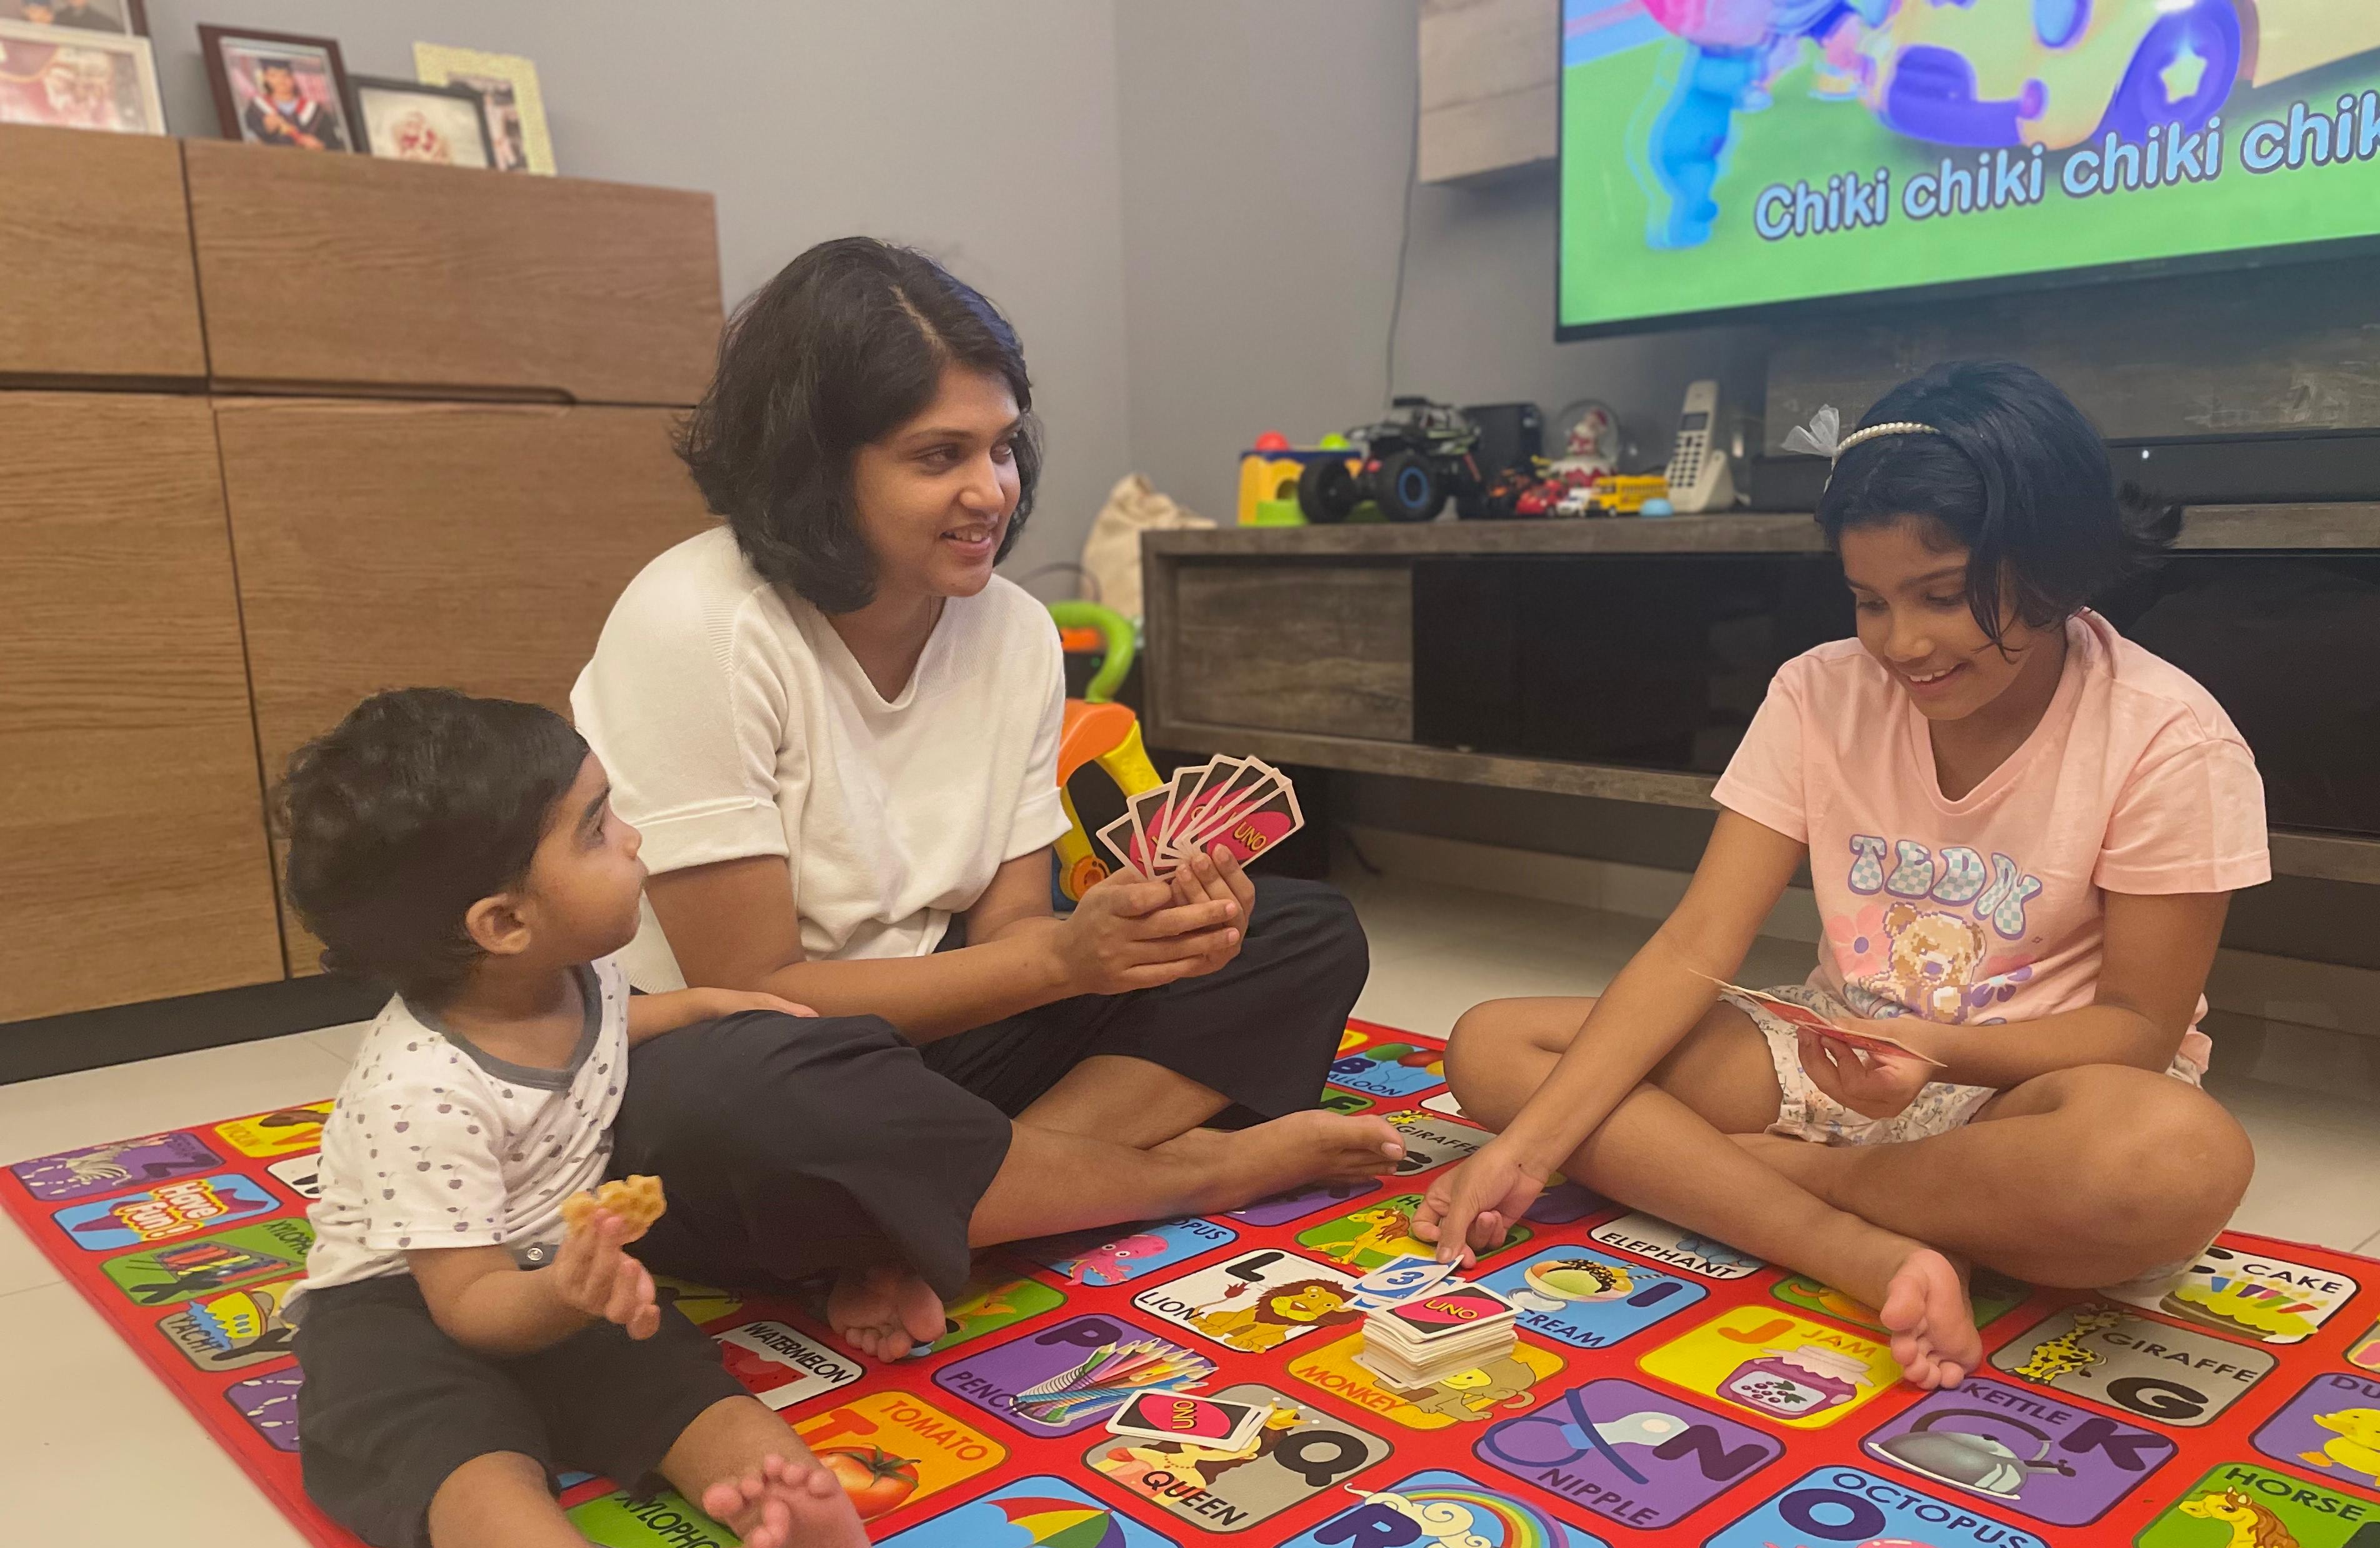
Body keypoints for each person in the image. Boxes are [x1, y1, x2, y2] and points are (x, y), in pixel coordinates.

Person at [572, 238, 1394, 1363]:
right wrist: (1066, 962)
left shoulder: (1009, 627)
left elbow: (1008, 930)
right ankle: (1185, 1171)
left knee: (1298, 931)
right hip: (724, 1055)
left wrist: (1127, 937)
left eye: (1004, 447)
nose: (990, 490)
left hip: (926, 1035)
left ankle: (929, 1214)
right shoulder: (698, 623)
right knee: (759, 1102)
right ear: (817, 467)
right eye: (938, 455)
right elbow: (752, 989)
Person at [1422, 362, 2267, 1389]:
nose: (1901, 643)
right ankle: (1861, 1244)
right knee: (1498, 1047)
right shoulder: (1817, 691)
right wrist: (1529, 1149)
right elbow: (1698, 941)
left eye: (1944, 596)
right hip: (1836, 1048)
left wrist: (1937, 1048)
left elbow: (2137, 1025)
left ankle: (1768, 1185)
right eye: (1869, 600)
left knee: (2171, 1161)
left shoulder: (2169, 735)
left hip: (2028, 1089)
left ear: (2051, 565)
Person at [273, 689, 878, 1548]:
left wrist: (709, 1006)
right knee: (448, 1438)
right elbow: (467, 1304)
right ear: (503, 920)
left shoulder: (571, 976)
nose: (633, 836)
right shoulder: (420, 1088)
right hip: (407, 1300)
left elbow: (609, 1030)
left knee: (670, 1372)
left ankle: (785, 1492)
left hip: (548, 1273)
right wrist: (566, 1291)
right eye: (598, 828)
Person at [239, 58, 344, 152]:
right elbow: (245, 141)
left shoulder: (315, 110)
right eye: (274, 75)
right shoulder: (257, 108)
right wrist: (264, 129)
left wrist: (319, 145)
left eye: (286, 75)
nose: (281, 81)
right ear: (266, 78)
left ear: (293, 78)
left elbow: (334, 143)